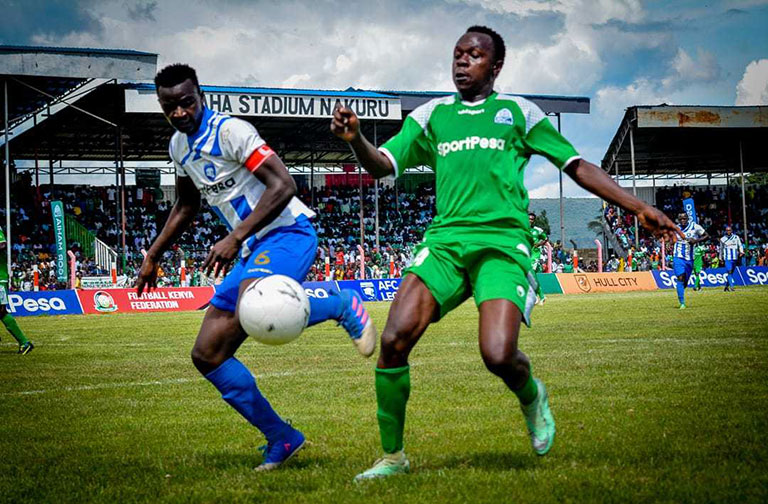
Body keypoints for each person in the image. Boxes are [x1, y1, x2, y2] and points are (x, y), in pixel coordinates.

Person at [331, 26, 681, 480]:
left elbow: (576, 166)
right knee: (395, 338)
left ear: (495, 67)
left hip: (502, 243)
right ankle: (393, 458)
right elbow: (383, 165)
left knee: (498, 354)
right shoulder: (432, 115)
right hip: (445, 243)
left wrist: (638, 206)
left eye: (473, 56)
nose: (461, 62)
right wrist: (356, 139)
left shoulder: (518, 111)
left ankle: (531, 394)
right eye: (457, 54)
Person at [138, 64, 376, 472]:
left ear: (201, 97)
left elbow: (283, 185)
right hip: (251, 247)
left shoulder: (231, 131)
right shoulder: (179, 147)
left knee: (254, 305)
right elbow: (186, 204)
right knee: (207, 354)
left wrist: (234, 237)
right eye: (169, 107)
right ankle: (281, 437)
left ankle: (339, 302)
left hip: (288, 233)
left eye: (186, 102)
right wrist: (153, 255)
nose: (179, 113)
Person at [0, 228, 34, 354]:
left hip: (0, 278)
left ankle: (24, 342)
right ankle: (24, 343)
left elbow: (2, 243)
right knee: (1, 312)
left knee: (1, 311)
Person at [672, 212, 709, 309]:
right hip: (678, 257)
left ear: (688, 219)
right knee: (680, 277)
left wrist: (696, 241)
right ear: (678, 220)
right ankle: (682, 303)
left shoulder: (695, 226)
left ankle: (682, 287)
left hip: (690, 259)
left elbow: (706, 235)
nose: (682, 221)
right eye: (680, 219)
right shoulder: (675, 228)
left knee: (684, 281)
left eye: (684, 218)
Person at [528, 213, 547, 304]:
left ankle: (537, 297)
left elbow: (545, 238)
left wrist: (540, 244)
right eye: (528, 219)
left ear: (534, 221)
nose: (529, 220)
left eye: (531, 219)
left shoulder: (538, 230)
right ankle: (540, 296)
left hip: (535, 256)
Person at [719, 225, 744, 292]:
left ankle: (726, 286)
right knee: (729, 271)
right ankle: (732, 287)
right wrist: (720, 258)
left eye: (729, 230)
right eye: (727, 230)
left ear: (731, 230)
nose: (728, 231)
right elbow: (721, 249)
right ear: (725, 231)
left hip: (735, 257)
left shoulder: (736, 237)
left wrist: (741, 251)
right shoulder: (722, 239)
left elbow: (740, 245)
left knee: (731, 273)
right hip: (727, 258)